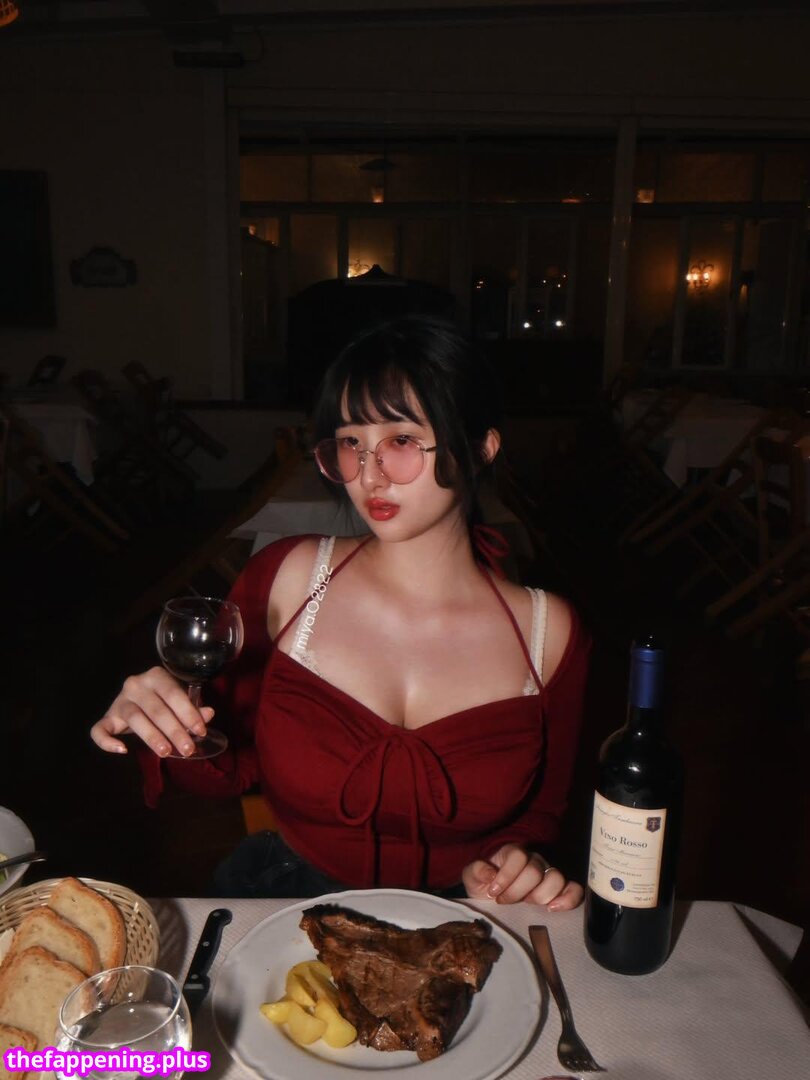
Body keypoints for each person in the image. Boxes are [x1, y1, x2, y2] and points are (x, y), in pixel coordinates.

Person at [91, 316, 590, 908]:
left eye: (401, 440)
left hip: (463, 915)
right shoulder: (288, 580)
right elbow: (223, 767)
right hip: (286, 903)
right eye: (351, 443)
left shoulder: (549, 632)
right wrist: (165, 724)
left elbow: (543, 810)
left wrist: (518, 862)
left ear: (481, 448)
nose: (368, 475)